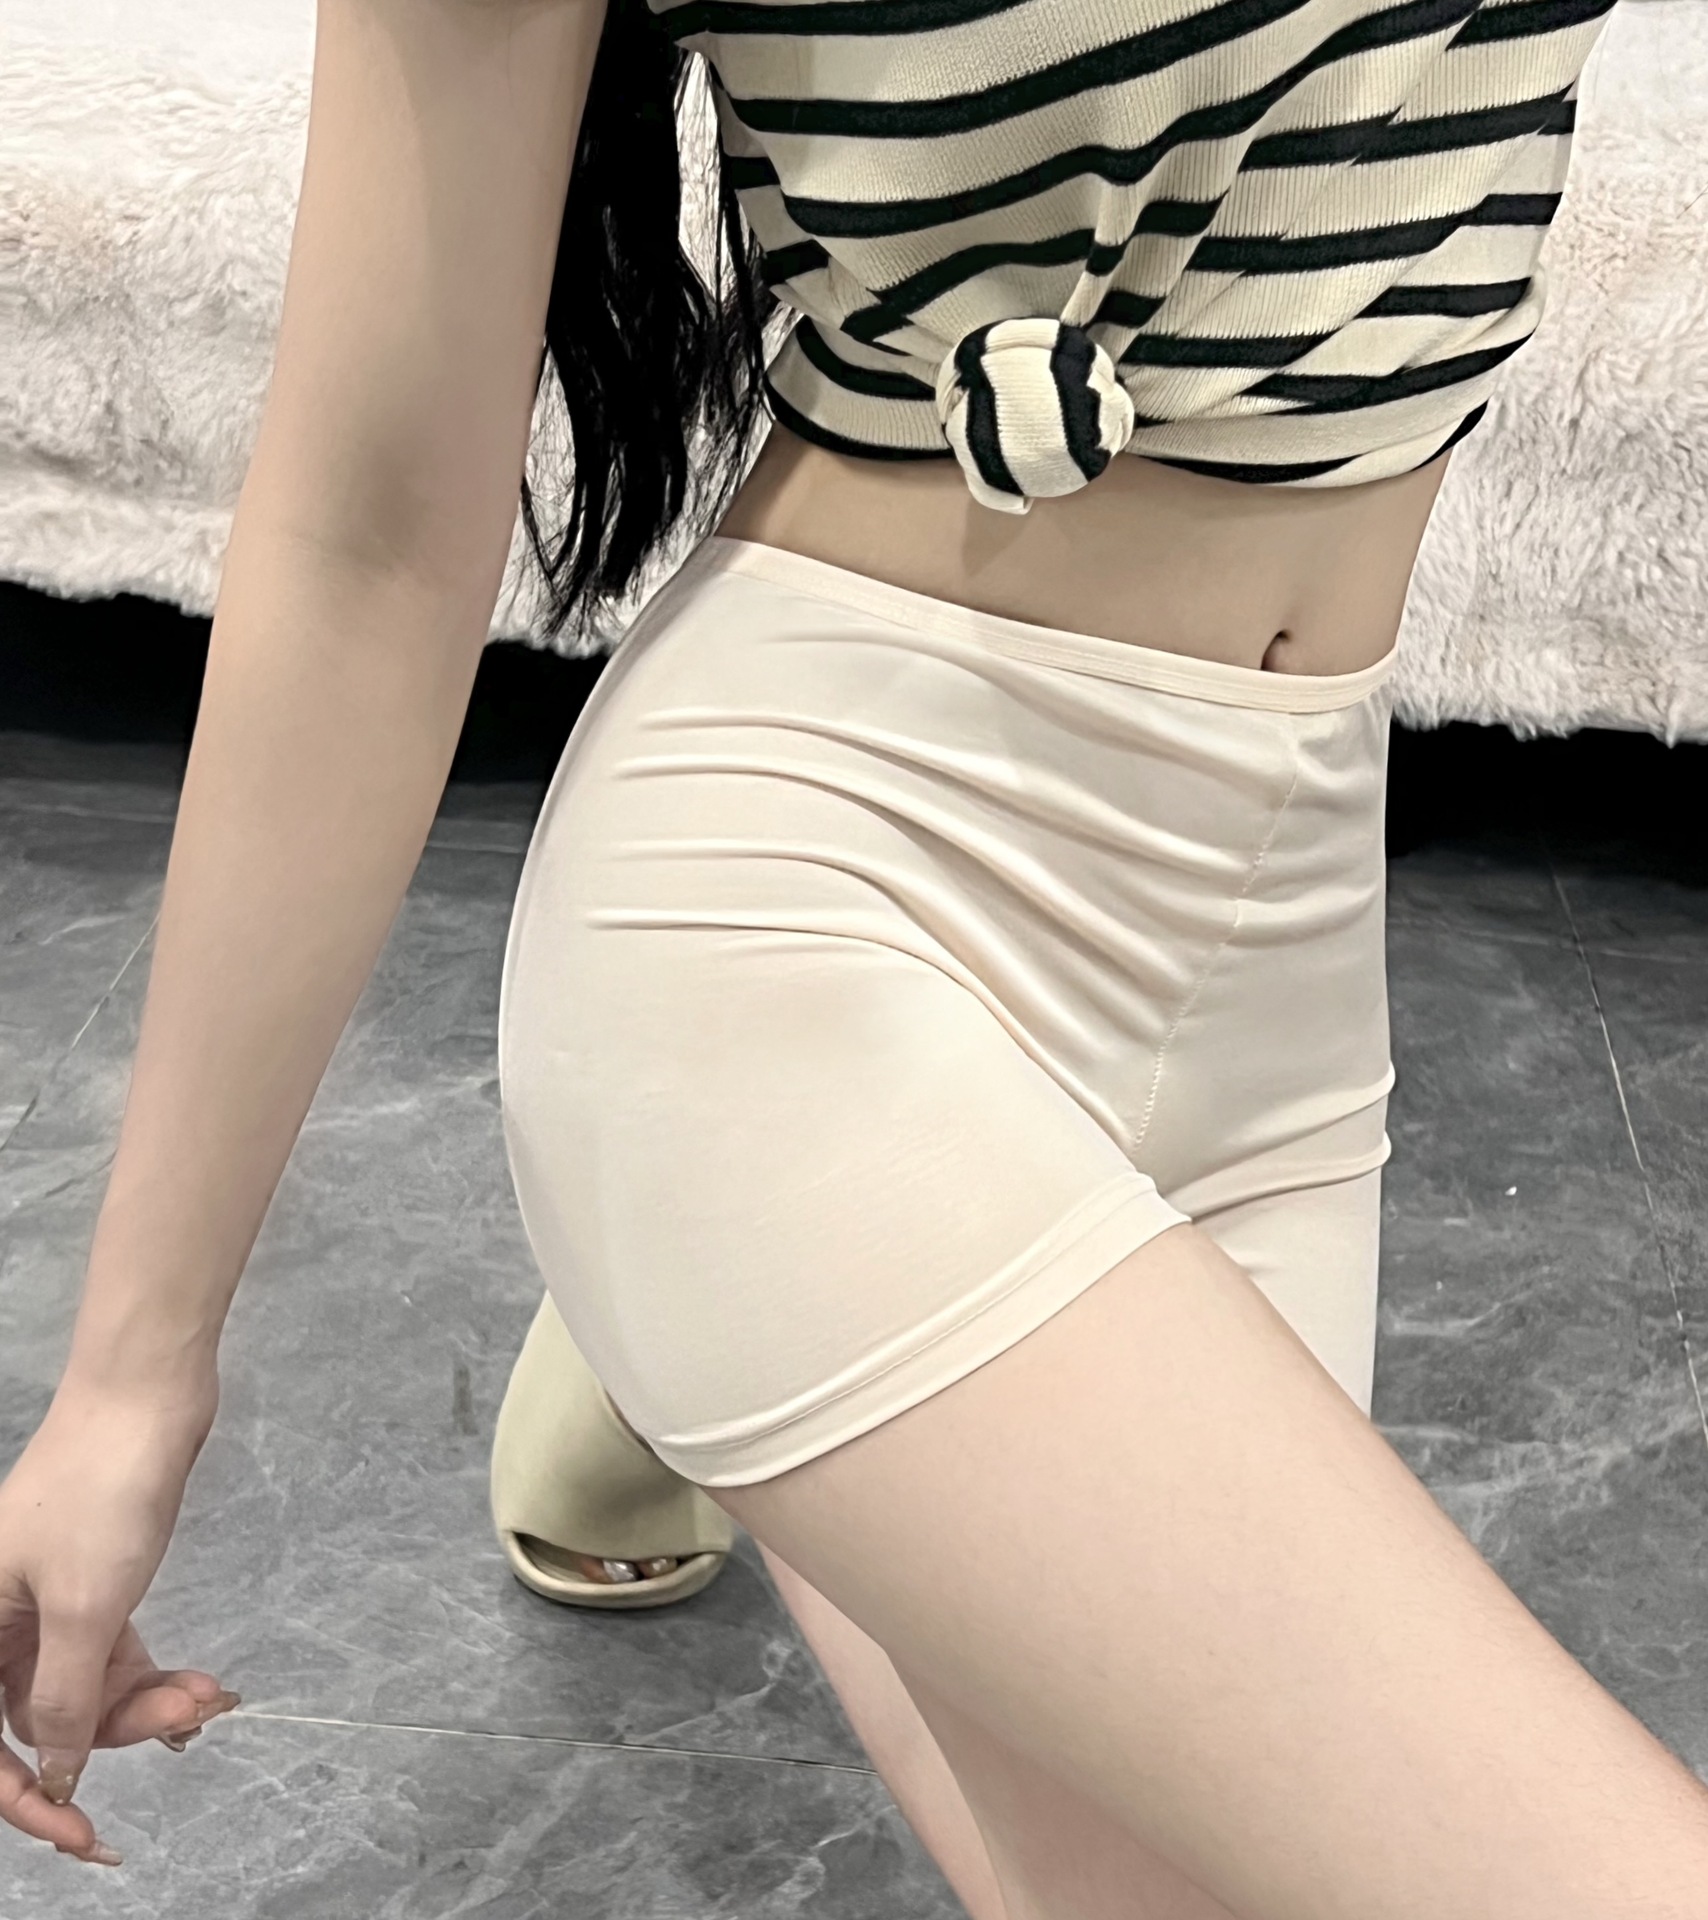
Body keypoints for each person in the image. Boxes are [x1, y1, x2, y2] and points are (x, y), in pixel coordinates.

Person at [2, 0, 1705, 1912]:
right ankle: (744, 1279)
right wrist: (130, 1375)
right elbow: (371, 528)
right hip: (810, 921)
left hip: (1289, 946)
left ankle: (693, 1355)